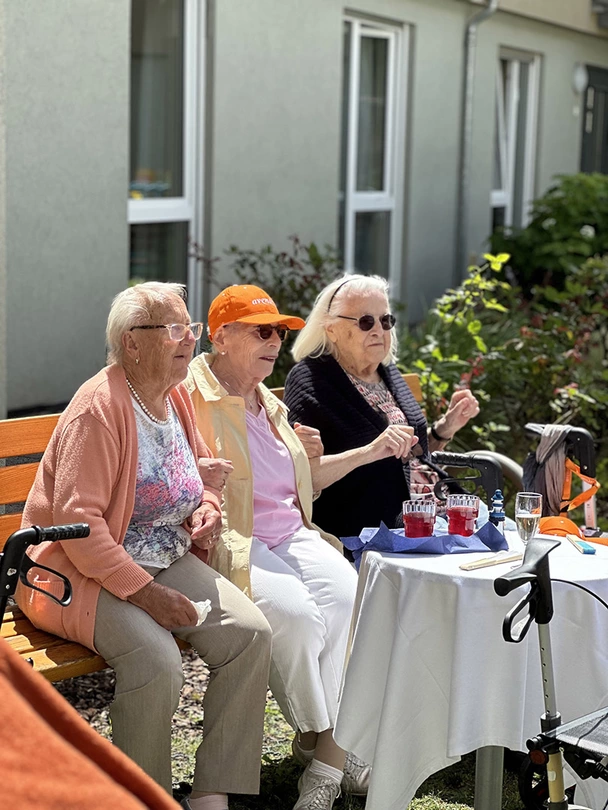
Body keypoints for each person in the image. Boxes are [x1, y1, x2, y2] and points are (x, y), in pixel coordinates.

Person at [17, 282, 272, 810]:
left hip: (161, 554)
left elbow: (201, 475)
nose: (189, 340)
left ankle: (211, 792)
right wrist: (146, 595)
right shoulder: (100, 409)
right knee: (157, 660)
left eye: (191, 328)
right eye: (175, 330)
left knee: (250, 636)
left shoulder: (173, 394)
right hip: (74, 572)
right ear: (133, 342)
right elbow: (78, 524)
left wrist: (205, 506)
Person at [186, 285, 387, 810]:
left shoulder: (269, 403)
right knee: (297, 620)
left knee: (351, 601)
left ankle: (325, 764)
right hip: (235, 536)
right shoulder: (191, 395)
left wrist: (306, 458)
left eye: (280, 332)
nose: (275, 341)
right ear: (222, 336)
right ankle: (329, 743)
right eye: (262, 330)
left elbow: (299, 488)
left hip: (292, 534)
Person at [283, 273, 480, 540]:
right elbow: (302, 478)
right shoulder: (312, 381)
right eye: (366, 322)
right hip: (376, 528)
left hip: (435, 515)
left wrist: (445, 429)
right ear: (331, 329)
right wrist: (370, 451)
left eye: (386, 321)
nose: (379, 330)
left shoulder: (387, 372)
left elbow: (408, 455)